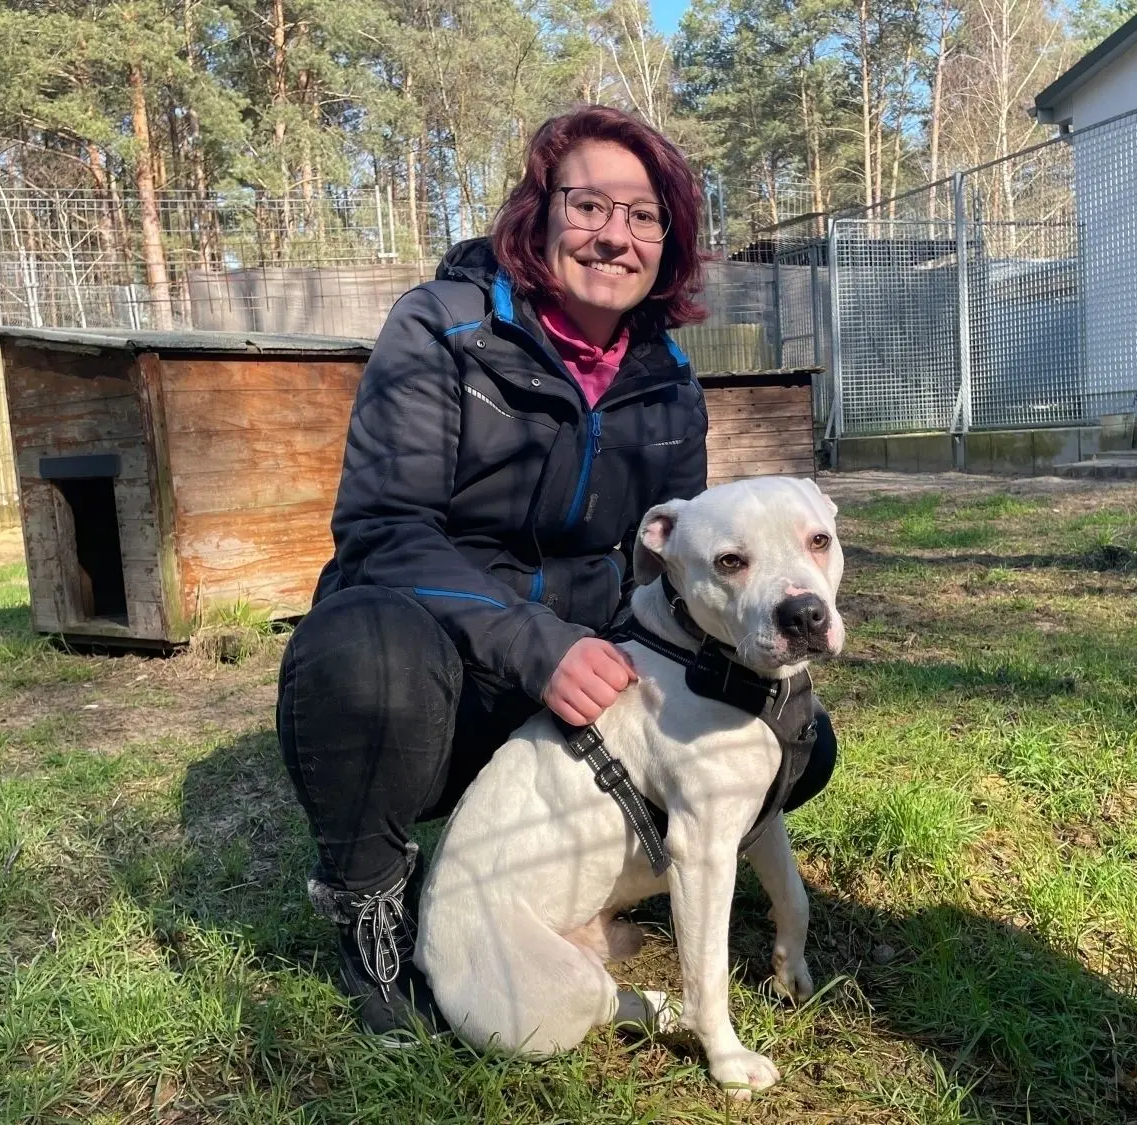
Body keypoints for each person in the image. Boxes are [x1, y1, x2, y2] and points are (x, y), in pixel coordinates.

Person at [275, 104, 838, 1037]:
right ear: (538, 215)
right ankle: (371, 906)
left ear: (668, 242)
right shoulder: (440, 327)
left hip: (585, 675)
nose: (616, 234)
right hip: (446, 669)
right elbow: (384, 530)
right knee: (362, 653)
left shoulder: (667, 381)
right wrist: (537, 647)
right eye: (589, 206)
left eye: (645, 215)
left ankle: (595, 882)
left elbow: (674, 575)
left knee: (795, 741)